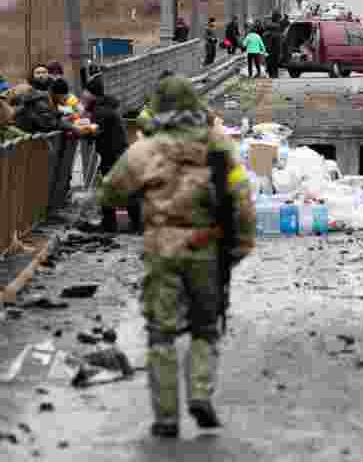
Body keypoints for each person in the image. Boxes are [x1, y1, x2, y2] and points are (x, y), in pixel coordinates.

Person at [96, 75, 256, 438]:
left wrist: (144, 196)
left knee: (161, 334)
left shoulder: (145, 149)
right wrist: (239, 247)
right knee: (205, 327)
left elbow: (108, 194)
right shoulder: (219, 145)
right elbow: (241, 198)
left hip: (161, 248)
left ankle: (166, 417)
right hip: (207, 247)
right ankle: (200, 393)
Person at [81, 76, 142, 234]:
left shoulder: (101, 111)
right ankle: (132, 223)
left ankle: (117, 224)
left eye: (85, 92)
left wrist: (80, 130)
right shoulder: (105, 108)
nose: (83, 95)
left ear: (92, 94)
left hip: (115, 156)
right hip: (117, 154)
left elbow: (95, 131)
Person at [264, 12, 284, 79]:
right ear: (277, 18)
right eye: (279, 18)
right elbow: (279, 43)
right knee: (274, 64)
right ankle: (274, 75)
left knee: (269, 62)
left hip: (268, 49)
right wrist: (280, 52)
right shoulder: (278, 30)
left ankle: (271, 75)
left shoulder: (266, 30)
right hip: (275, 50)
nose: (280, 19)